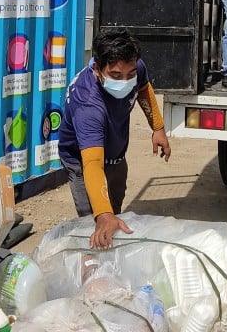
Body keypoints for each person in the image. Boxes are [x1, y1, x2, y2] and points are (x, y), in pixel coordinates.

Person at [58, 27, 172, 249]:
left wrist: (157, 127)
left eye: (130, 75)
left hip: (115, 154)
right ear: (97, 70)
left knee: (115, 210)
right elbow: (92, 164)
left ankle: (111, 253)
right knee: (93, 221)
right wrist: (102, 214)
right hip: (82, 161)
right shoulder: (88, 105)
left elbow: (144, 88)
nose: (125, 81)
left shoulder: (132, 65)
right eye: (116, 76)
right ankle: (91, 273)